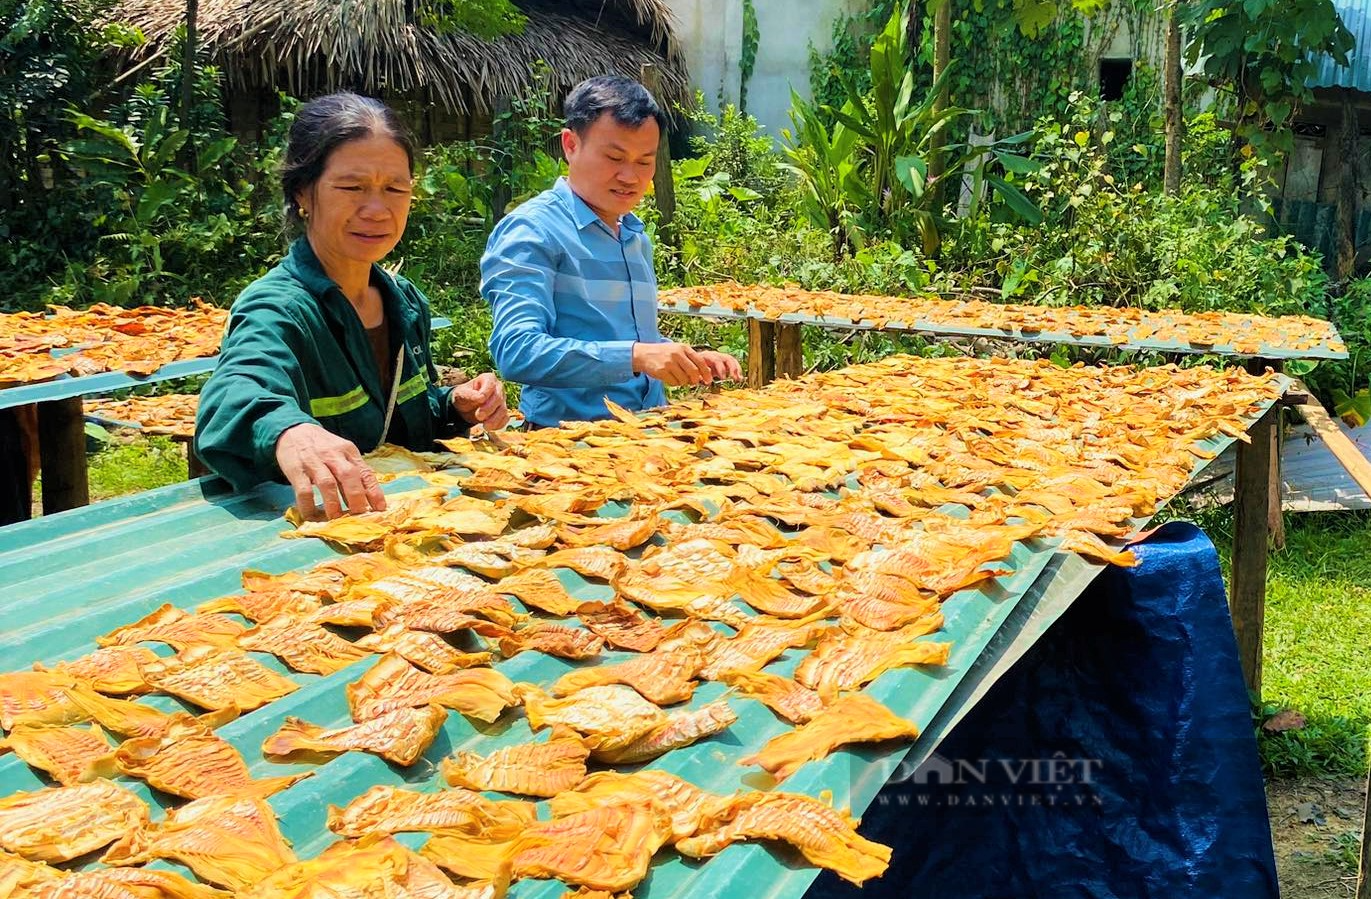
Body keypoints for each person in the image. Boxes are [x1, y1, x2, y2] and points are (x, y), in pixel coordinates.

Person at [195, 92, 508, 520]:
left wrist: (454, 405)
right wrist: (289, 431)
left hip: (410, 529)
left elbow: (402, 427)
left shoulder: (405, 303)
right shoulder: (279, 308)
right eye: (352, 187)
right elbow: (237, 392)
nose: (377, 210)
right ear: (303, 192)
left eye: (395, 188)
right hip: (321, 543)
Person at [480, 75, 741, 429]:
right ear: (571, 145)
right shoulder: (532, 231)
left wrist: (684, 359)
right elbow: (518, 351)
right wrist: (638, 356)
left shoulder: (633, 234)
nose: (630, 176)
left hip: (648, 434)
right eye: (614, 157)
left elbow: (629, 344)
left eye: (645, 161)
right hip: (567, 448)